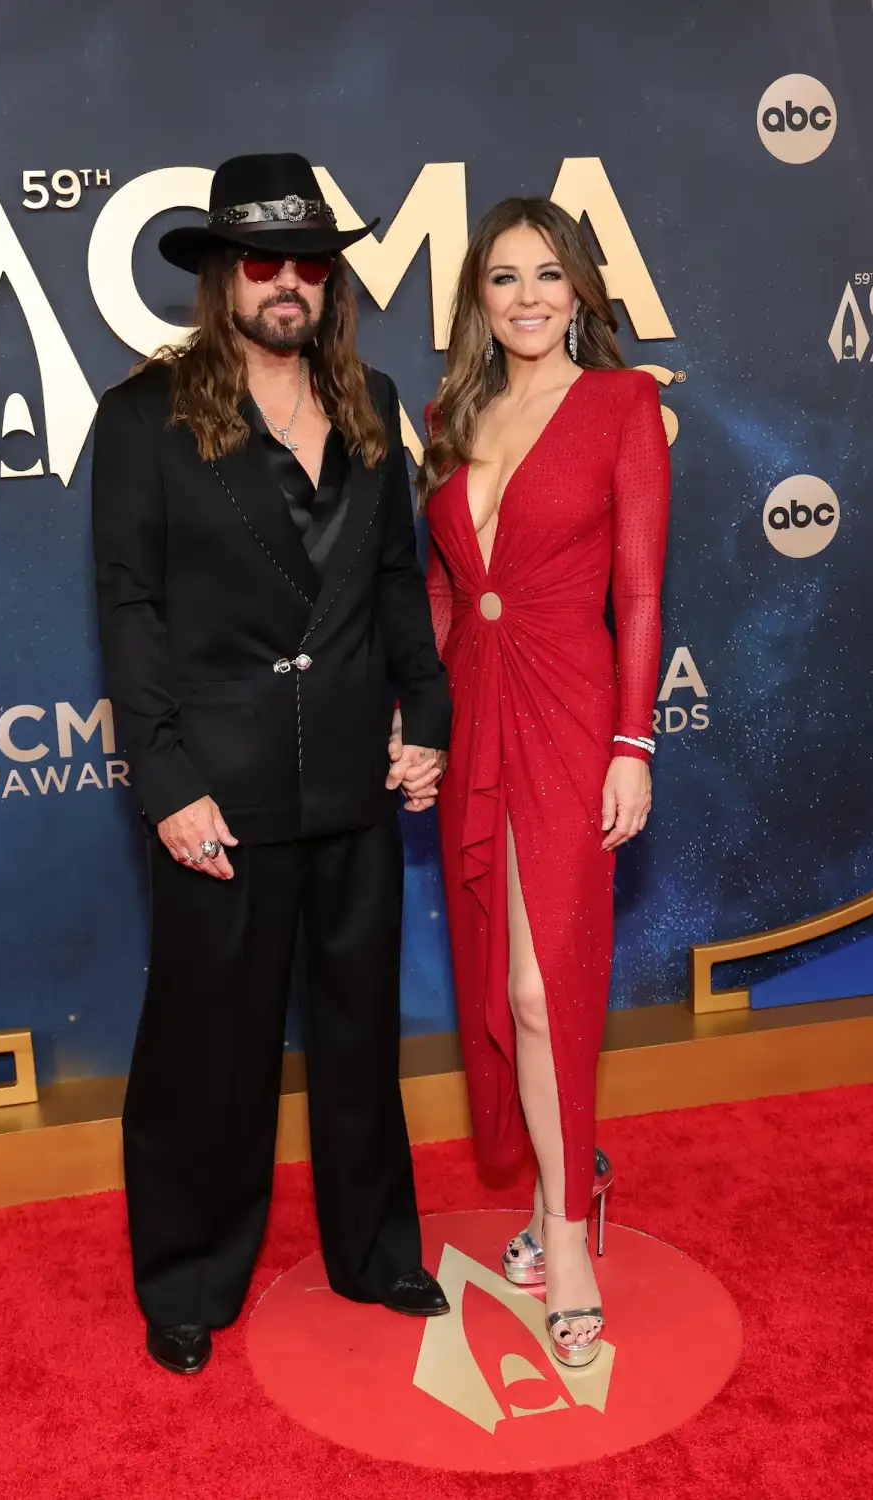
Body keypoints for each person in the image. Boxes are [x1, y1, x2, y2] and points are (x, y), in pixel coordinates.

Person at [91, 153, 452, 1376]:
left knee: (358, 1036)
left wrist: (428, 715)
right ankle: (187, 1276)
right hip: (221, 794)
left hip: (353, 775)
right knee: (211, 1048)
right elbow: (128, 610)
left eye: (309, 260)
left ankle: (376, 1251)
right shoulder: (143, 418)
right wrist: (166, 781)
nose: (287, 282)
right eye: (262, 260)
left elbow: (398, 583)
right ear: (220, 276)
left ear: (330, 277)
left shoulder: (371, 402)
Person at [417, 198, 670, 1368]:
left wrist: (634, 743)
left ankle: (566, 1235)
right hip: (474, 707)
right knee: (494, 977)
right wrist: (419, 727)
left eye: (548, 276)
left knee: (538, 983)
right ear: (478, 297)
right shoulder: (452, 414)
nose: (526, 298)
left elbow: (642, 594)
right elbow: (439, 594)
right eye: (504, 278)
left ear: (581, 291)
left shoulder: (624, 406)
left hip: (571, 709)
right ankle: (548, 1201)